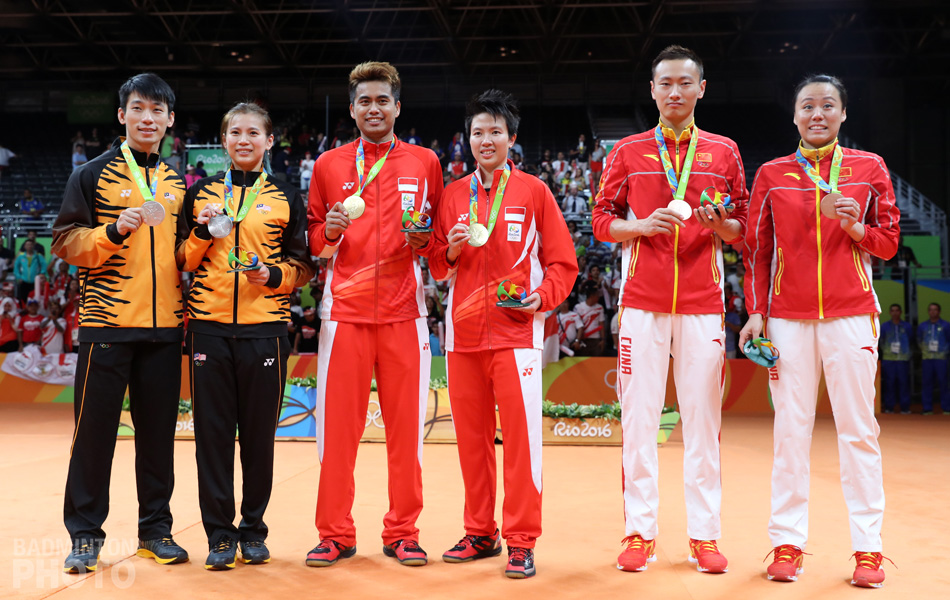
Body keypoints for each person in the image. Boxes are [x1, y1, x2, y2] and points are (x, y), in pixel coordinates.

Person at [592, 45, 748, 575]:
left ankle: (704, 535)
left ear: (701, 88)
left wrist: (720, 224)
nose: (675, 92)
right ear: (653, 90)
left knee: (703, 421)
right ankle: (640, 532)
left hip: (703, 303)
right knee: (639, 420)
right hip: (642, 303)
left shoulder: (724, 152)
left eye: (685, 82)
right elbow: (601, 219)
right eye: (666, 83)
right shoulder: (628, 151)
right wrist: (639, 226)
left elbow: (743, 227)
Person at [740, 74, 900, 588]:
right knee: (791, 432)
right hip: (787, 320)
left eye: (827, 105)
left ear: (843, 114)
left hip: (852, 314)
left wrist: (856, 227)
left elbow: (888, 244)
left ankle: (869, 549)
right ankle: (788, 542)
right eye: (807, 105)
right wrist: (757, 311)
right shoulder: (772, 174)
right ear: (794, 115)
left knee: (859, 431)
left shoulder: (869, 168)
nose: (817, 114)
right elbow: (757, 251)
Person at [428, 89, 577, 579]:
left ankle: (521, 539)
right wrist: (449, 252)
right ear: (467, 140)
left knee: (520, 443)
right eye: (478, 132)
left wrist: (544, 298)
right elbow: (437, 268)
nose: (486, 140)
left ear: (511, 138)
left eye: (495, 131)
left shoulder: (534, 192)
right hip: (462, 339)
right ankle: (479, 532)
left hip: (517, 336)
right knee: (471, 443)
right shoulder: (452, 195)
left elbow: (563, 263)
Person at [305, 61, 443, 569]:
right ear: (352, 109)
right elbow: (315, 243)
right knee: (337, 432)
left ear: (398, 107)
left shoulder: (425, 162)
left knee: (406, 434)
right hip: (345, 315)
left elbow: (436, 241)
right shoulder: (328, 165)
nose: (374, 108)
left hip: (405, 315)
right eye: (365, 101)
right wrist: (330, 231)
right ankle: (334, 533)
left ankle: (403, 532)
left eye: (383, 100)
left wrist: (423, 240)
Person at [52, 73, 190, 574]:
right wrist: (111, 230)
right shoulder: (90, 174)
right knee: (94, 438)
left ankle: (156, 531)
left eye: (157, 111)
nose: (147, 118)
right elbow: (65, 242)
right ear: (121, 116)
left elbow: (182, 253)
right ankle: (85, 536)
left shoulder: (177, 182)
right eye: (138, 108)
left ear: (170, 120)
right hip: (107, 326)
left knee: (158, 440)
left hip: (164, 330)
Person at [177, 101, 315, 570]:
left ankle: (253, 531)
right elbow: (182, 260)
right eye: (235, 132)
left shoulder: (286, 195)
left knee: (258, 440)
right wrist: (201, 231)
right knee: (212, 439)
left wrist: (272, 275)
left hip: (265, 332)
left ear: (269, 141)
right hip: (208, 330)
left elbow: (303, 267)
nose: (244, 140)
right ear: (223, 141)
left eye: (253, 132)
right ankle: (220, 536)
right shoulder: (200, 194)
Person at [917, 302, 950, 415]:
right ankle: (927, 408)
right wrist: (924, 350)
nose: (933, 312)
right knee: (927, 383)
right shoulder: (923, 326)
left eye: (935, 309)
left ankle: (946, 407)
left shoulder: (946, 325)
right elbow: (918, 339)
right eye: (931, 309)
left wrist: (944, 351)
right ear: (928, 311)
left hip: (941, 358)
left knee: (943, 382)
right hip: (927, 358)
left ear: (939, 311)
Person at [880, 304, 912, 414]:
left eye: (897, 310)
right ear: (890, 313)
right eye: (892, 310)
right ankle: (889, 407)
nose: (895, 313)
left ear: (900, 312)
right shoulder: (884, 326)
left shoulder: (907, 326)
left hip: (903, 359)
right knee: (889, 383)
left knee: (904, 383)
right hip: (889, 359)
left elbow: (911, 339)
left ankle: (905, 407)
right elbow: (881, 340)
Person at [13, 239, 47, 303]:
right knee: (23, 299)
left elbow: (44, 265)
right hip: (23, 281)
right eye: (27, 244)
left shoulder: (38, 256)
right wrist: (19, 277)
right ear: (24, 246)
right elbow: (16, 268)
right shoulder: (21, 256)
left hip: (35, 282)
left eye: (31, 244)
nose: (29, 246)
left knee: (35, 298)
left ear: (33, 246)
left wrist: (42, 273)